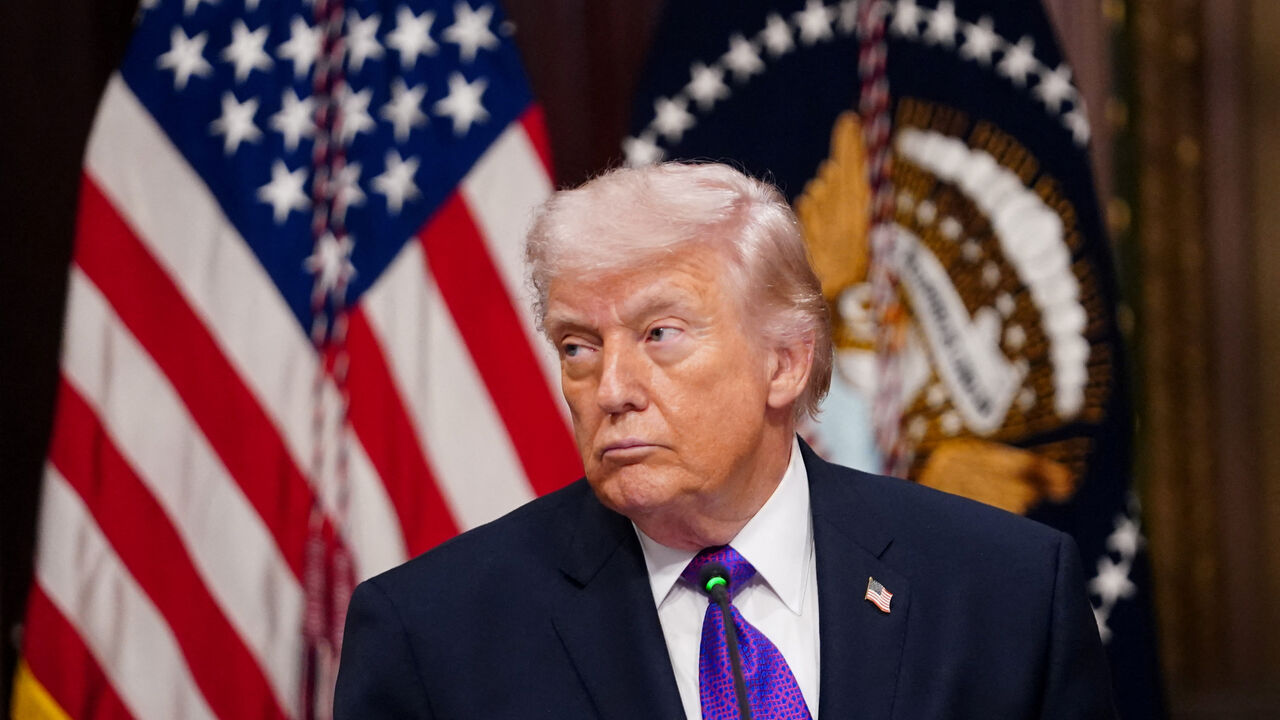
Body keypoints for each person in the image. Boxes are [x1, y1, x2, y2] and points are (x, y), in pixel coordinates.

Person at [333, 162, 1116, 719]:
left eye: (660, 333)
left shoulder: (1005, 594)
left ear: (784, 361)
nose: (610, 389)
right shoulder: (433, 636)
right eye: (577, 346)